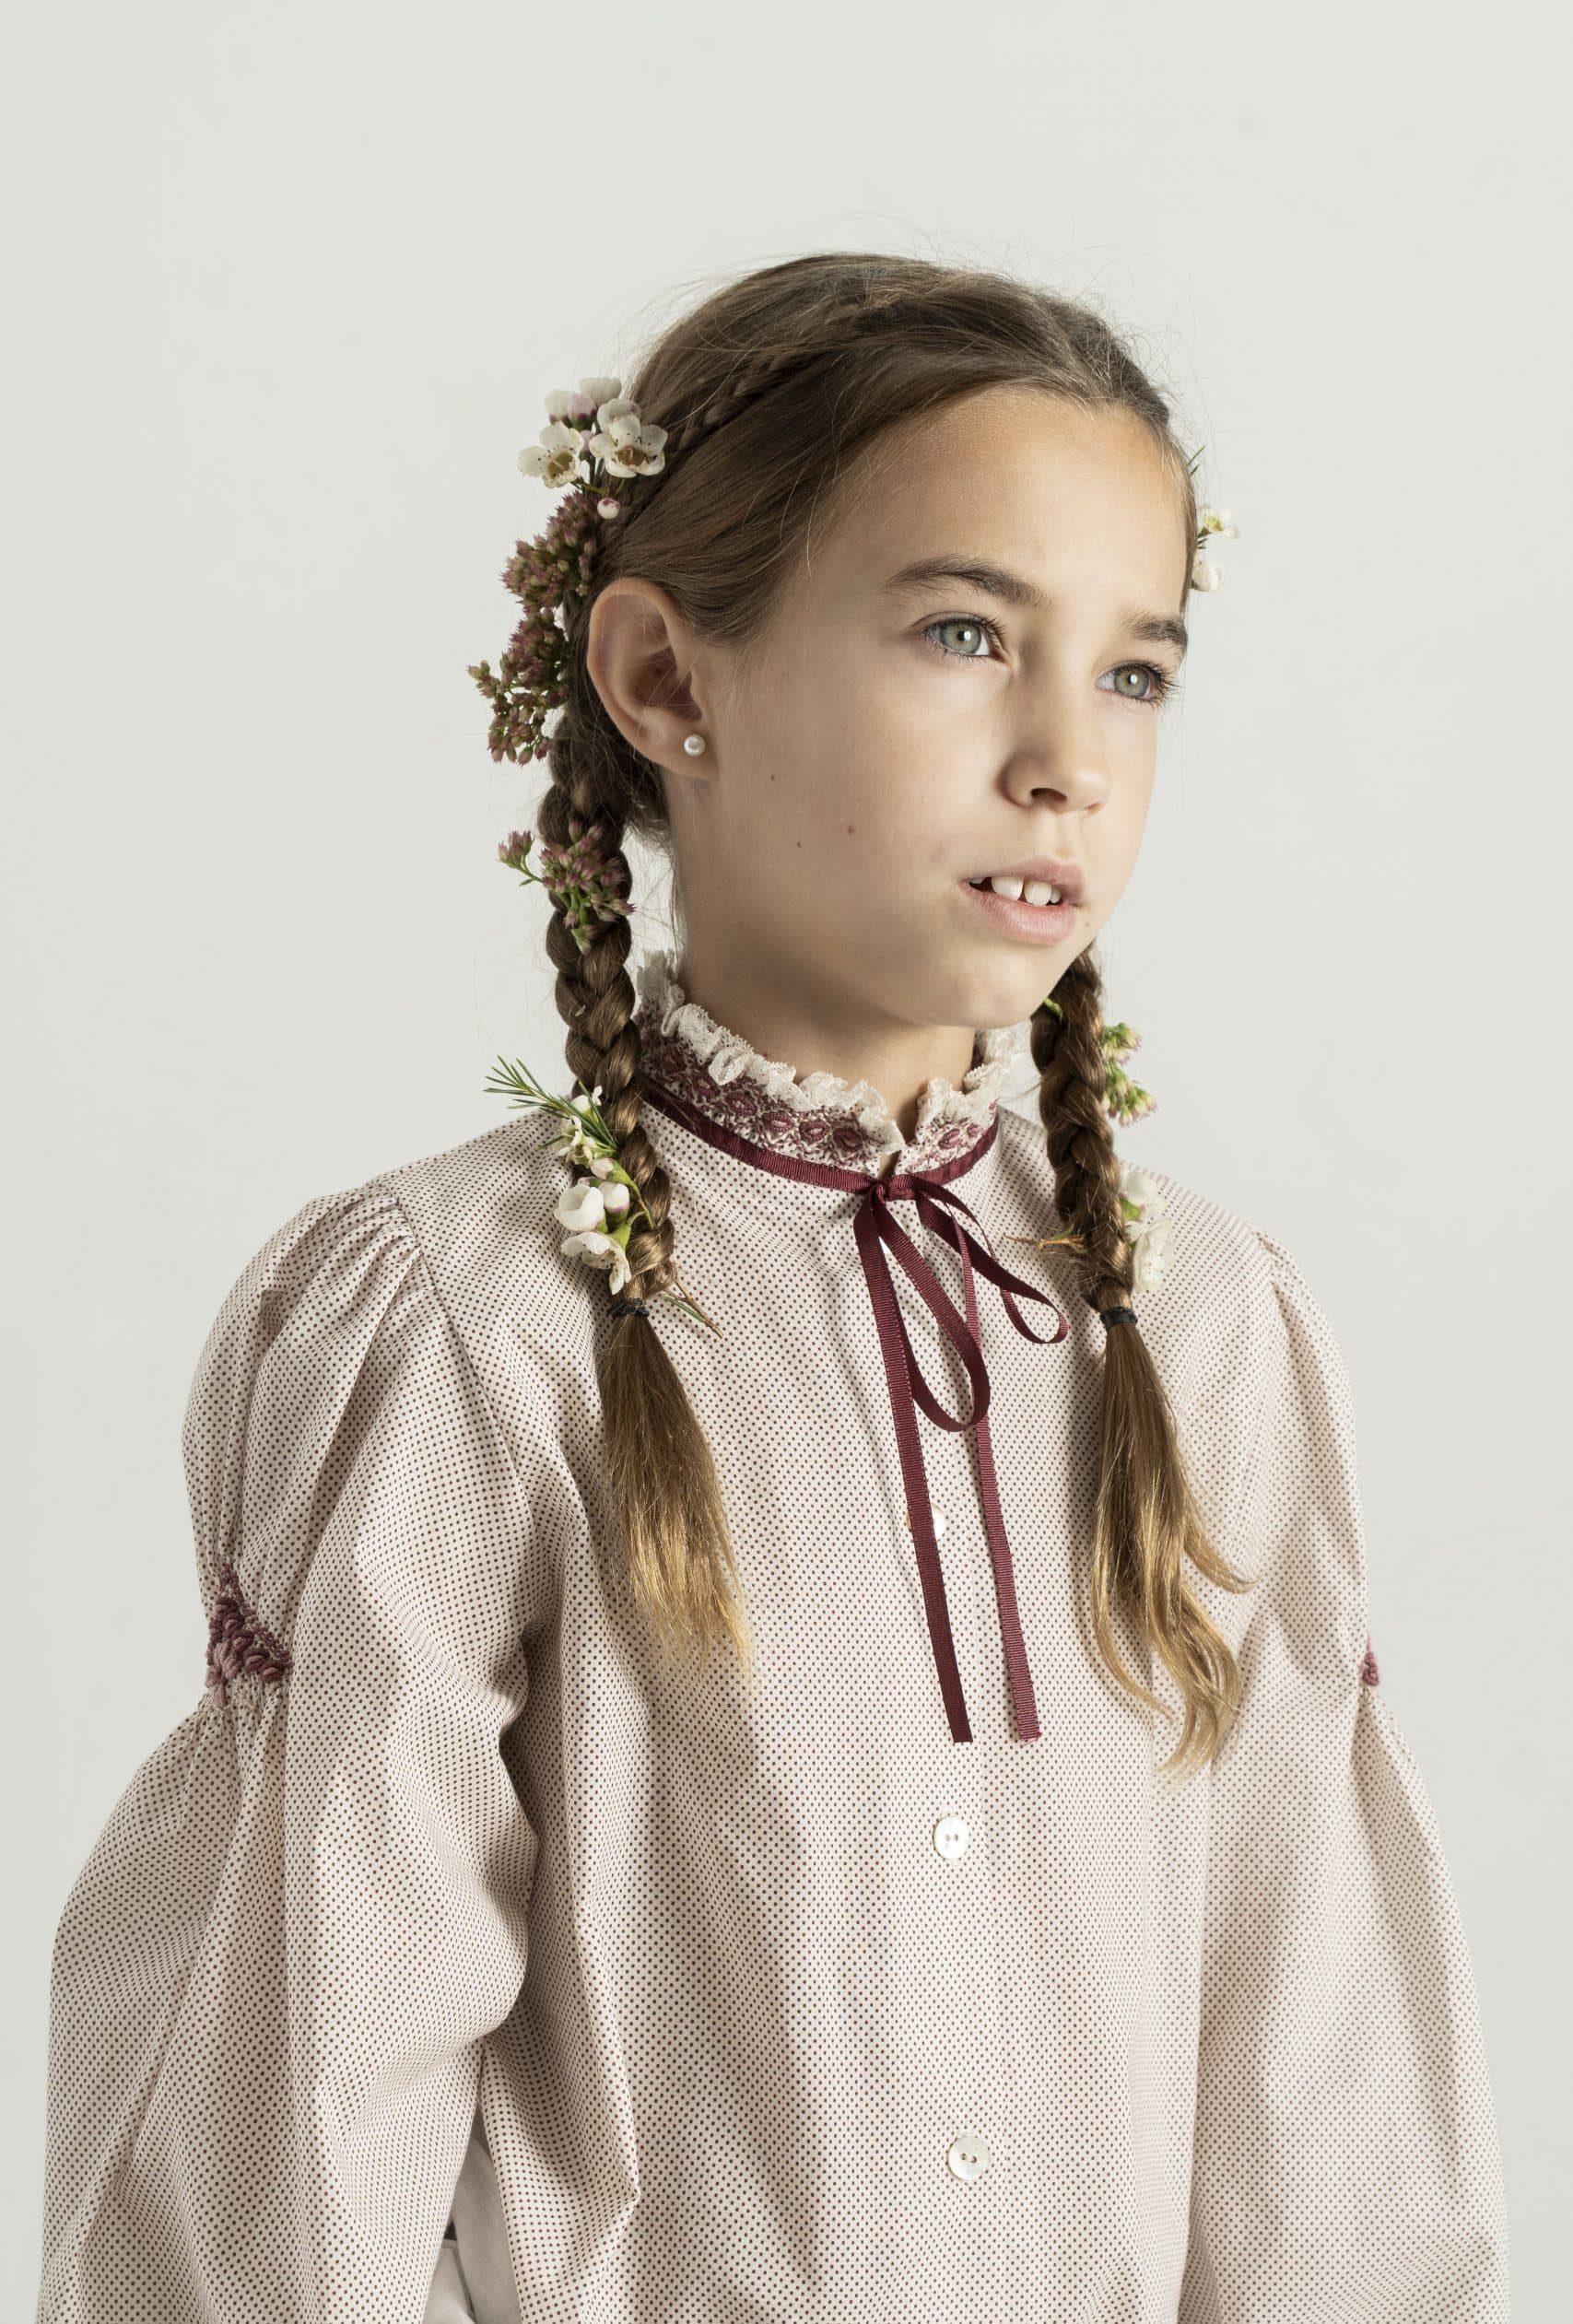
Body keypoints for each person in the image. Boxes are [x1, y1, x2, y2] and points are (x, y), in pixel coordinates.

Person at [34, 252, 1511, 2323]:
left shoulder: (1202, 1331)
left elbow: (1316, 2089)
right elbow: (303, 2108)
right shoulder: (466, 1329)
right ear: (665, 680)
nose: (1065, 756)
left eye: (1134, 670)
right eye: (965, 633)